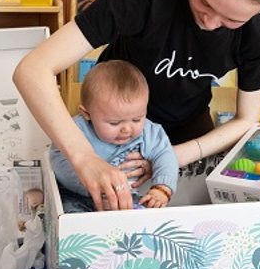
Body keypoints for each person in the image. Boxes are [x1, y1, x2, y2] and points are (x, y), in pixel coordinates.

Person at [14, 0, 260, 210]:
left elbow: (246, 119)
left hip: (187, 132)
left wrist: (169, 157)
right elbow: (32, 70)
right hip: (110, 126)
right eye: (204, 2)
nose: (210, 23)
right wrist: (84, 158)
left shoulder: (258, 29)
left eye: (231, 20)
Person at [50, 61, 179, 212]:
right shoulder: (76, 130)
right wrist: (95, 187)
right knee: (69, 219)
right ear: (86, 114)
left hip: (127, 198)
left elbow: (166, 155)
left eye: (137, 119)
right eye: (114, 123)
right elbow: (58, 159)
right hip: (76, 197)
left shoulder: (149, 131)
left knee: (144, 216)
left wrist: (162, 188)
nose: (127, 129)